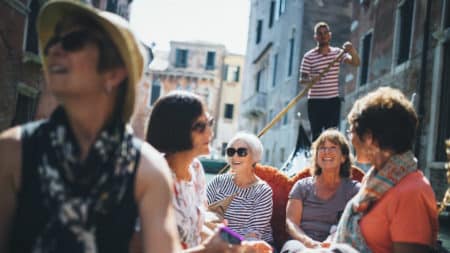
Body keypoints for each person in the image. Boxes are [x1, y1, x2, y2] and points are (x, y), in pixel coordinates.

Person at [0, 1, 180, 253]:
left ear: (114, 73)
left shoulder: (147, 169)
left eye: (72, 42)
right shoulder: (12, 150)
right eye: (52, 42)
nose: (53, 50)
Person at [146, 91, 272, 253]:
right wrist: (207, 249)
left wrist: (241, 246)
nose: (210, 132)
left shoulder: (196, 169)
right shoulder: (156, 178)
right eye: (200, 126)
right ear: (177, 129)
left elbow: (198, 228)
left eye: (209, 123)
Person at [334, 87, 439, 253]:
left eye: (351, 131)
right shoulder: (375, 181)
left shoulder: (412, 192)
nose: (349, 138)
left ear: (369, 138)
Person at [281, 129, 360, 252]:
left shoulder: (354, 190)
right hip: (301, 244)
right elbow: (291, 224)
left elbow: (351, 226)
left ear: (343, 157)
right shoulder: (301, 186)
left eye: (333, 147)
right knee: (292, 247)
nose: (327, 151)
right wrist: (309, 243)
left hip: (335, 244)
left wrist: (328, 243)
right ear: (317, 156)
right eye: (322, 148)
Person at [207, 132, 273, 244]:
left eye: (242, 152)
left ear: (254, 157)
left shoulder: (263, 191)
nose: (235, 157)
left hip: (252, 246)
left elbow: (253, 234)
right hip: (217, 242)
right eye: (231, 152)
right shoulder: (218, 181)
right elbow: (200, 212)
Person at [299, 21, 360, 141]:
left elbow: (356, 63)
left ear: (330, 35)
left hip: (332, 101)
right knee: (316, 136)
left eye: (325, 33)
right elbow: (302, 79)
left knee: (332, 136)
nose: (323, 36)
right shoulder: (308, 56)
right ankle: (316, 159)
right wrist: (312, 79)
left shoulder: (337, 53)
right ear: (315, 37)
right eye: (320, 33)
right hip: (315, 101)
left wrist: (351, 50)